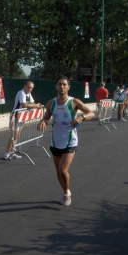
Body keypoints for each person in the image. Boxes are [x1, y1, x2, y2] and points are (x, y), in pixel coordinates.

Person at [37, 75, 94, 206]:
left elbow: (91, 113)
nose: (62, 86)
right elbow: (46, 117)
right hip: (55, 141)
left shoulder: (74, 102)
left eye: (64, 84)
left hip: (70, 141)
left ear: (68, 86)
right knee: (58, 171)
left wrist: (81, 118)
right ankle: (65, 191)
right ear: (56, 86)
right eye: (59, 84)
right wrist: (43, 121)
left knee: (63, 170)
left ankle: (67, 192)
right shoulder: (51, 103)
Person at [3, 81, 42, 160]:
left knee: (17, 135)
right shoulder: (21, 93)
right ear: (24, 86)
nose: (29, 89)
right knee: (13, 135)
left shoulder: (28, 94)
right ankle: (7, 152)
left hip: (21, 117)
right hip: (15, 116)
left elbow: (32, 102)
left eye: (31, 88)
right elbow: (24, 104)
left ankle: (12, 152)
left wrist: (36, 106)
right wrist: (36, 105)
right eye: (28, 87)